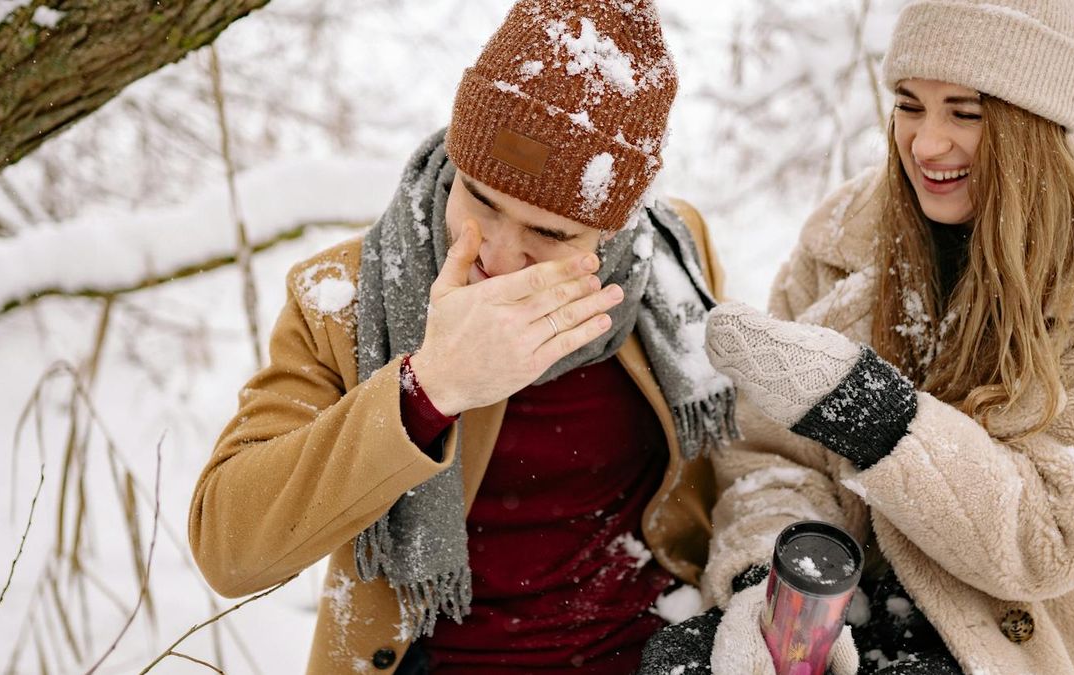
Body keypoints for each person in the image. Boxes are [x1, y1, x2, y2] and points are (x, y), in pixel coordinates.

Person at [635, 1, 1074, 674]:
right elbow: (769, 461)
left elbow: (1049, 537)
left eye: (966, 112)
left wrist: (879, 420)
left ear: (1034, 122)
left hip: (1030, 634)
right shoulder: (843, 238)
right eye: (910, 105)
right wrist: (774, 585)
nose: (927, 144)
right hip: (858, 608)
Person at [187, 1, 737, 673]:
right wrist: (428, 387)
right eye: (480, 199)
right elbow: (228, 548)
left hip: (648, 648)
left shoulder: (672, 260)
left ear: (614, 228)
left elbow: (750, 462)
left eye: (552, 233)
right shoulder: (345, 297)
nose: (500, 256)